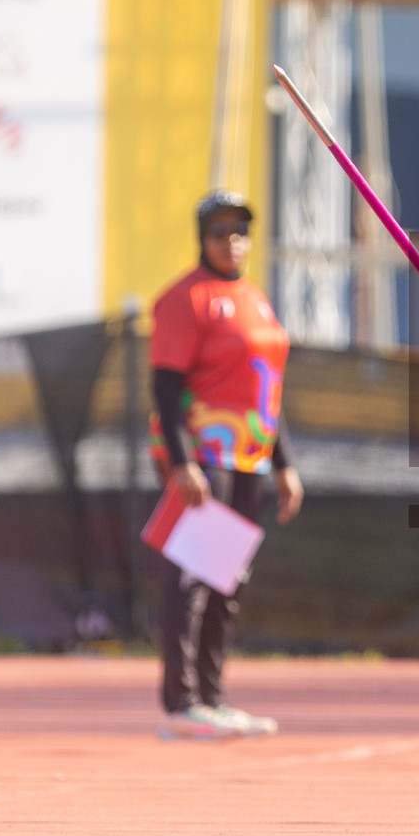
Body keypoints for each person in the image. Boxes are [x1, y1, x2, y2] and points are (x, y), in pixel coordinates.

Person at [149, 189, 304, 740]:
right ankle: (181, 702)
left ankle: (211, 699)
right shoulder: (185, 299)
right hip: (205, 455)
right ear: (202, 238)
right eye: (220, 232)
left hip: (249, 457)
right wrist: (181, 461)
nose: (231, 241)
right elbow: (165, 388)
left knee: (226, 580)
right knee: (191, 577)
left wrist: (283, 462)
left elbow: (265, 391)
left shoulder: (255, 298)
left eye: (240, 230)